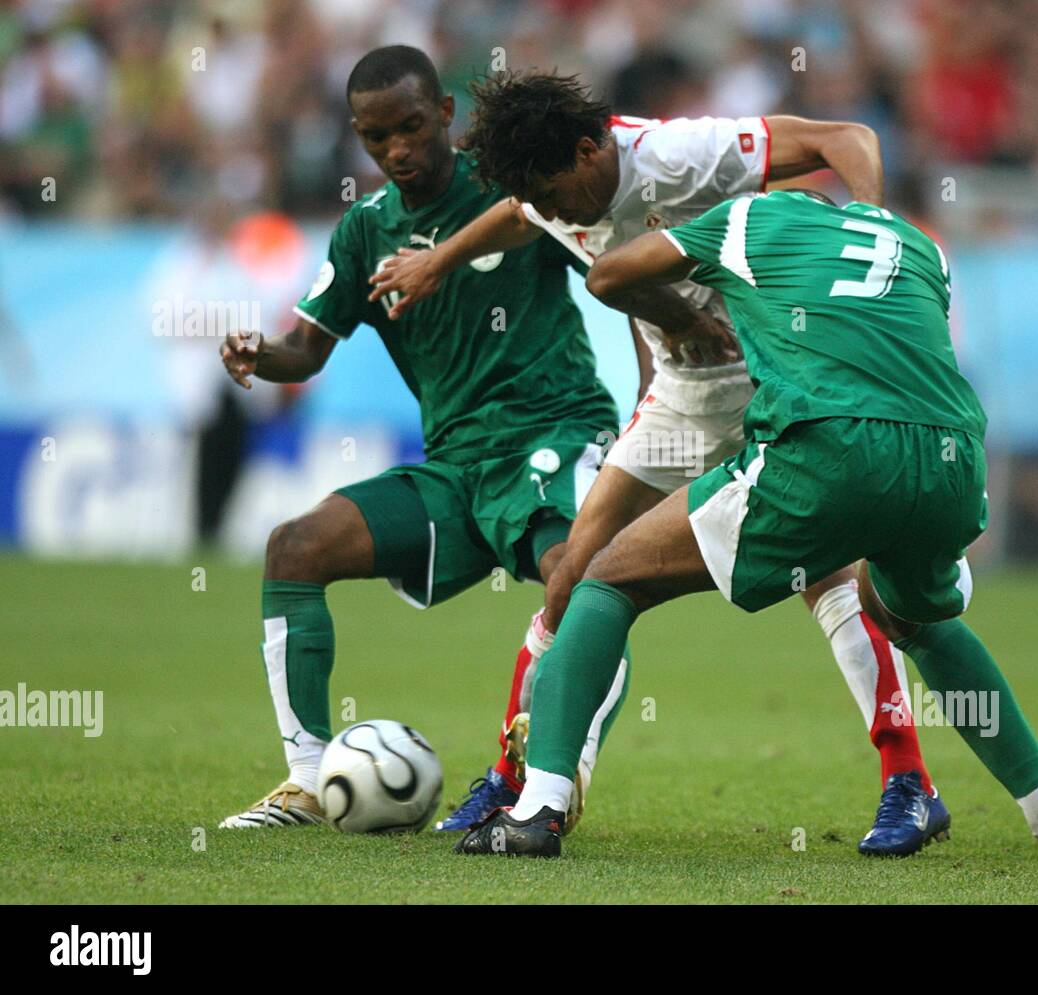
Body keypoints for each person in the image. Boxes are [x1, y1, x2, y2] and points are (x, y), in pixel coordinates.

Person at [372, 71, 950, 855]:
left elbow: (843, 139)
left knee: (830, 579)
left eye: (556, 192)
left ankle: (909, 782)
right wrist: (439, 259)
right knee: (570, 575)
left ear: (590, 149)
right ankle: (519, 780)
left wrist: (877, 229)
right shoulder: (545, 187)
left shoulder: (678, 155)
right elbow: (521, 213)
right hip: (681, 401)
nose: (554, 212)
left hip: (775, 388)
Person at [455, 189, 1038, 863]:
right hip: (952, 460)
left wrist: (697, 305)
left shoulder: (749, 217)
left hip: (830, 448)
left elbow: (612, 273)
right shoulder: (921, 245)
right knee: (914, 619)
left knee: (608, 577)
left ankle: (538, 807)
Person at [214, 47, 710, 829]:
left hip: (551, 434)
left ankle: (553, 776)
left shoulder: (517, 187)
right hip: (453, 466)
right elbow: (307, 349)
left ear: (446, 113)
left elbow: (618, 271)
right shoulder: (365, 231)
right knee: (295, 549)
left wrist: (657, 384)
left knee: (585, 584)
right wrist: (258, 354)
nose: (397, 151)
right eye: (376, 139)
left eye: (410, 127)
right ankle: (308, 779)